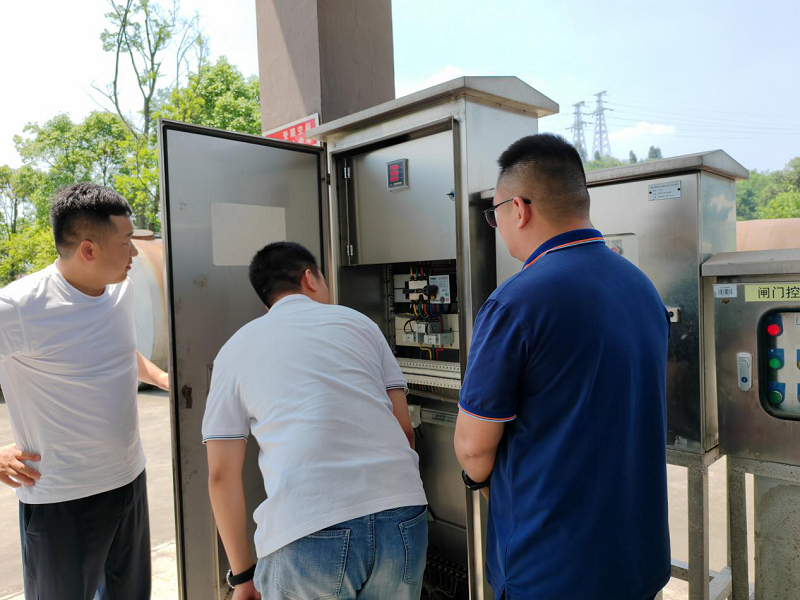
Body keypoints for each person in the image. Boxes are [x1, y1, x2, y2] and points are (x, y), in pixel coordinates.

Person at [454, 134, 670, 600]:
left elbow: (472, 447)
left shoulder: (514, 303)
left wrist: (481, 484)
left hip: (551, 569)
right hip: (638, 559)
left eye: (495, 213)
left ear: (518, 209)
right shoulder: (641, 287)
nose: (498, 225)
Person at [202, 241, 428, 600]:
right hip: (401, 513)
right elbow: (404, 430)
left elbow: (221, 475)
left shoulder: (235, 349)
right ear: (310, 278)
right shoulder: (361, 324)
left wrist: (243, 576)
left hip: (307, 524)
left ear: (266, 301)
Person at [0, 182, 169, 600]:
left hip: (128, 481)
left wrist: (163, 379)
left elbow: (117, 349)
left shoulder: (120, 288)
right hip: (62, 500)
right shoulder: (19, 307)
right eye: (126, 242)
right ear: (88, 250)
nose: (135, 252)